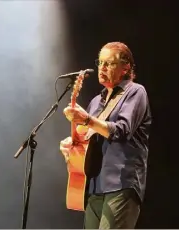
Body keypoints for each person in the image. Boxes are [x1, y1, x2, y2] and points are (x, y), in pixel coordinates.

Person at [60, 41, 152, 229]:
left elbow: (121, 130)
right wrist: (72, 146)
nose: (102, 68)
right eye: (100, 62)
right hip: (94, 185)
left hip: (121, 182)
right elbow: (88, 138)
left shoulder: (135, 92)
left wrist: (87, 119)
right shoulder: (96, 102)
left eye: (109, 63)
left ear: (125, 67)